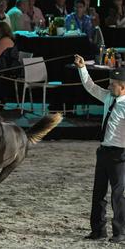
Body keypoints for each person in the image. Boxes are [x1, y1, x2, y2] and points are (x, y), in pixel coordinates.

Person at [75, 54, 125, 244]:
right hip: (104, 151)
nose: (109, 86)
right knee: (99, 193)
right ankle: (98, 230)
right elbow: (90, 86)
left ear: (123, 86)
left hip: (120, 154)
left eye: (113, 84)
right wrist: (82, 68)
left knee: (118, 195)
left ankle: (120, 232)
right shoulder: (107, 97)